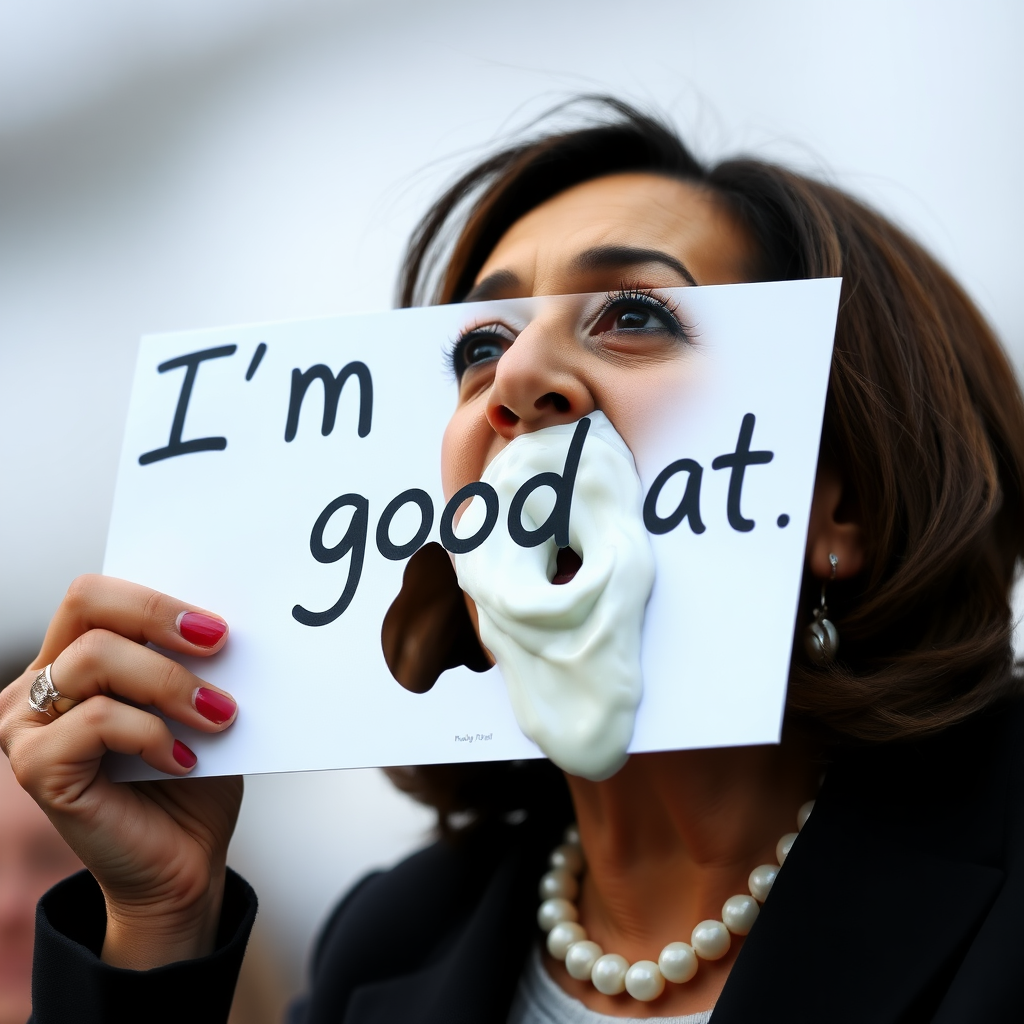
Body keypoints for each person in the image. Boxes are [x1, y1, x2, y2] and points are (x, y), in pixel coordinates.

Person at [2, 97, 1023, 1023]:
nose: (519, 372)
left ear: (833, 500)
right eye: (478, 345)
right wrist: (158, 924)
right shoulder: (387, 948)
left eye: (632, 316)